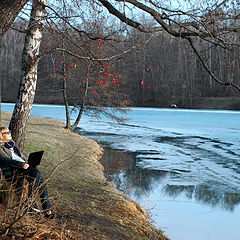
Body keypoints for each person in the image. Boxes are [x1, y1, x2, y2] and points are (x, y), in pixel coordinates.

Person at [0, 127, 52, 218]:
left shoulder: (12, 144)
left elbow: (21, 155)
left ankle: (44, 208)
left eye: (9, 131)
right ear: (1, 136)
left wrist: (28, 161)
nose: (9, 133)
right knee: (37, 175)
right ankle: (40, 206)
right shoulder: (1, 148)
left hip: (23, 166)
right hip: (14, 169)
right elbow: (7, 160)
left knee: (40, 181)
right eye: (7, 132)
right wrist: (21, 164)